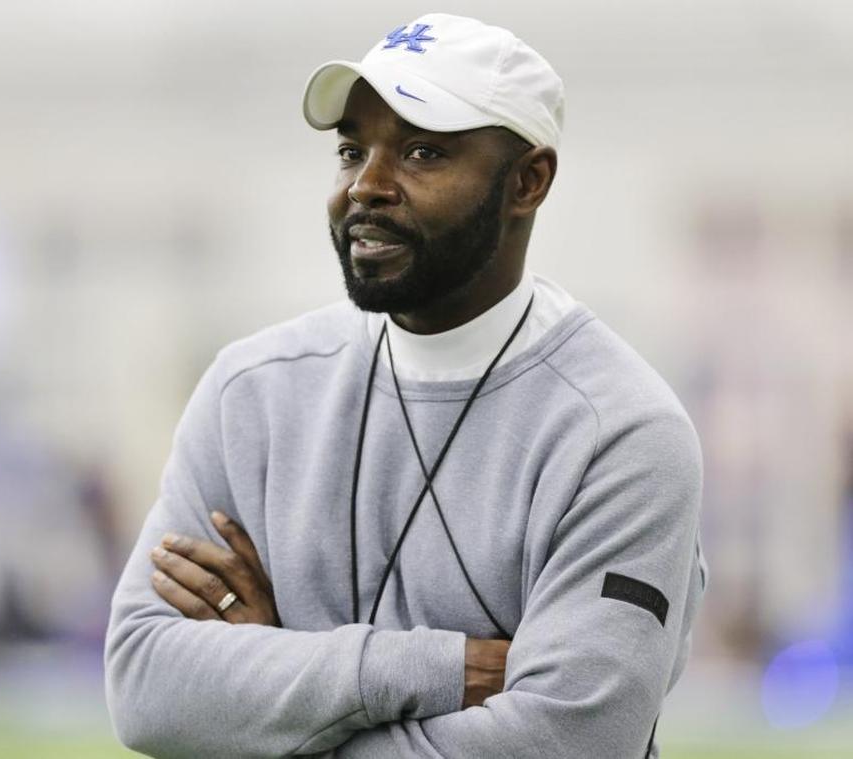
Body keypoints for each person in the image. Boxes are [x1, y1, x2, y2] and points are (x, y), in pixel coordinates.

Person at [105, 13, 706, 759]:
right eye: (352, 149)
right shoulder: (250, 394)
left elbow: (569, 739)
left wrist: (269, 693)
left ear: (528, 181)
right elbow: (146, 687)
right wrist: (435, 668)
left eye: (422, 151)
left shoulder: (621, 430)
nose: (367, 185)